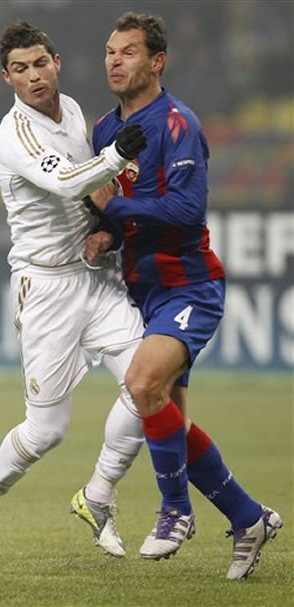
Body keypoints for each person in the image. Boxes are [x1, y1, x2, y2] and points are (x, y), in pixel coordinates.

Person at [81, 11, 282, 580]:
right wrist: (107, 233)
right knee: (168, 421)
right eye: (109, 51)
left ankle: (175, 513)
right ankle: (248, 519)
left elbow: (187, 210)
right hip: (145, 292)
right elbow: (123, 211)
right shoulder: (103, 131)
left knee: (142, 384)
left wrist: (111, 208)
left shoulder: (177, 124)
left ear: (157, 61)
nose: (115, 61)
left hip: (190, 285)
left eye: (128, 52)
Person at [0, 20, 148, 558]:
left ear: (57, 62)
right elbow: (69, 179)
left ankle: (98, 495)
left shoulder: (72, 112)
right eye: (20, 69)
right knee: (47, 432)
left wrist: (104, 230)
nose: (33, 75)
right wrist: (116, 156)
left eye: (40, 63)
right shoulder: (13, 135)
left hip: (95, 277)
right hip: (44, 287)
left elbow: (87, 193)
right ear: (7, 78)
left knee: (149, 383)